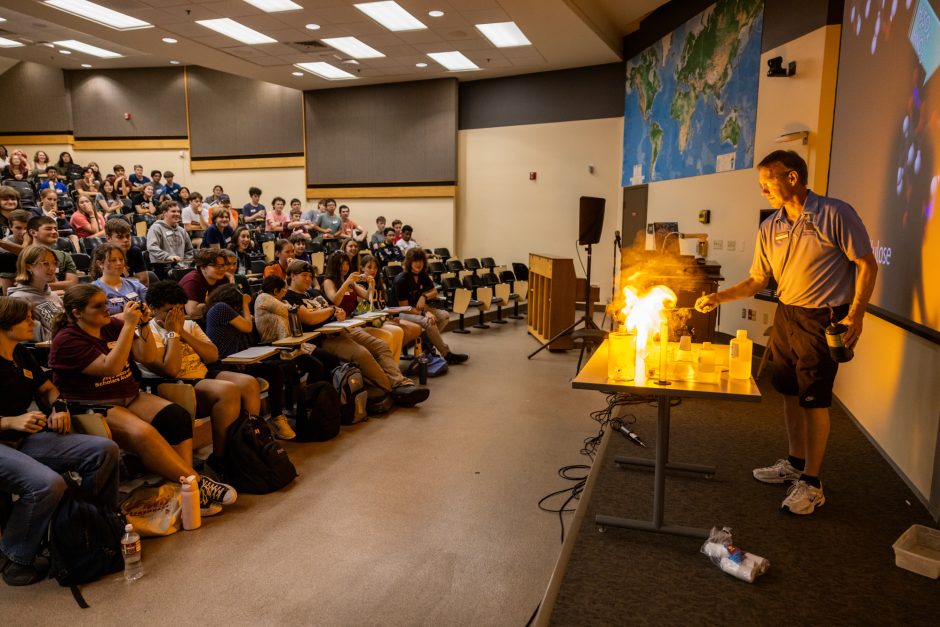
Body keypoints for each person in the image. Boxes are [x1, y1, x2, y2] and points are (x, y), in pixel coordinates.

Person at [694, 150, 878, 515]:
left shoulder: (835, 213)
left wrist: (856, 315)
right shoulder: (770, 226)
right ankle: (795, 463)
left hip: (822, 317)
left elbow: (866, 263)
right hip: (787, 313)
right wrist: (718, 297)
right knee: (788, 390)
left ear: (792, 178)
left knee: (814, 398)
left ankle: (812, 483)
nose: (762, 190)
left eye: (768, 182)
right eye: (761, 184)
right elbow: (757, 279)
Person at [48, 285, 236, 515]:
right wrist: (129, 326)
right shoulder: (67, 339)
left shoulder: (112, 326)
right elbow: (111, 367)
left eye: (106, 303)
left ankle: (185, 487)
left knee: (176, 416)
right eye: (98, 306)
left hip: (130, 395)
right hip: (94, 404)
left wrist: (143, 325)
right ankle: (195, 483)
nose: (106, 309)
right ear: (77, 313)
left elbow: (146, 356)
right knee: (144, 433)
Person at [0, 296, 120, 586]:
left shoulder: (21, 353)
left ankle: (90, 527)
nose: (34, 322)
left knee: (104, 450)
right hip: (5, 439)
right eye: (26, 318)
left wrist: (59, 406)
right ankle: (15, 555)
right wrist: (9, 421)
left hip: (23, 438)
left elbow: (48, 388)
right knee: (48, 484)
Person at [139, 281, 266, 455]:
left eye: (180, 310)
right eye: (170, 311)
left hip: (202, 373)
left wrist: (183, 333)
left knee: (249, 383)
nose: (176, 316)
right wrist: (173, 334)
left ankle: (249, 444)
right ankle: (222, 456)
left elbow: (212, 355)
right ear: (153, 308)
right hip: (176, 382)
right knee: (227, 390)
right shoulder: (148, 332)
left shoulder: (189, 325)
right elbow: (171, 370)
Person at [284, 260, 429, 407]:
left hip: (343, 327)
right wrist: (332, 310)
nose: (308, 279)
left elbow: (335, 308)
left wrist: (338, 313)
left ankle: (401, 383)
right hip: (324, 338)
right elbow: (309, 318)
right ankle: (394, 390)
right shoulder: (290, 297)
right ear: (293, 276)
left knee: (381, 346)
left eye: (310, 276)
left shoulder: (314, 293)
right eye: (304, 275)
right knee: (362, 354)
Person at [393, 248, 468, 364]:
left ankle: (426, 345)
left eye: (421, 261)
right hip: (401, 313)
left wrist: (424, 296)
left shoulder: (422, 275)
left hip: (418, 309)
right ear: (409, 262)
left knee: (444, 315)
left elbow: (434, 291)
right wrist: (424, 313)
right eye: (415, 261)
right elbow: (405, 308)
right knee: (429, 321)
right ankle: (447, 354)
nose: (418, 264)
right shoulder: (401, 280)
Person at [7, 245, 64, 341]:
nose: (52, 268)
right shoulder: (18, 300)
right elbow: (39, 338)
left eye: (54, 263)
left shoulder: (53, 295)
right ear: (28, 267)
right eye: (45, 264)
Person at [25, 216, 78, 292]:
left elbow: (72, 284)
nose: (54, 232)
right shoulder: (23, 255)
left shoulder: (64, 256)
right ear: (33, 232)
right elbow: (19, 285)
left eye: (55, 229)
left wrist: (39, 286)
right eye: (48, 229)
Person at [91, 244, 148, 316]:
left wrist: (147, 311)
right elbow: (95, 318)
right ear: (100, 264)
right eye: (113, 260)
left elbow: (153, 308)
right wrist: (123, 316)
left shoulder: (136, 285)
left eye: (121, 259)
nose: (119, 263)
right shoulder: (94, 289)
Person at [179, 248, 231, 318]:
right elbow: (192, 311)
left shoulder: (223, 279)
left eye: (223, 265)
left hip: (211, 317)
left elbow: (230, 302)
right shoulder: (192, 281)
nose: (222, 269)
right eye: (217, 266)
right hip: (187, 321)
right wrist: (220, 305)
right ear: (203, 267)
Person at [146, 200, 194, 275]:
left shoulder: (182, 231)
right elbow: (152, 247)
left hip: (181, 267)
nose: (177, 214)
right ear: (164, 213)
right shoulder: (156, 228)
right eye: (173, 211)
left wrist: (185, 264)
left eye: (178, 211)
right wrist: (168, 257)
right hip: (162, 268)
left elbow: (189, 250)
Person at [105, 218, 150, 285]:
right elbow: (103, 284)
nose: (125, 240)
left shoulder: (135, 251)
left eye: (128, 236)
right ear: (108, 238)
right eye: (120, 237)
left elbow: (144, 281)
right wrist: (132, 280)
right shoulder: (102, 254)